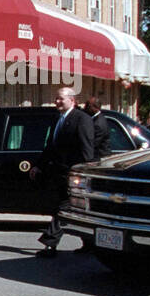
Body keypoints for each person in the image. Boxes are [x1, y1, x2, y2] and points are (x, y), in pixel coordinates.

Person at [30, 86, 94, 256]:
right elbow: (51, 146)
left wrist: (83, 172)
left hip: (72, 174)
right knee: (74, 209)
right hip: (58, 172)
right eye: (56, 98)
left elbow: (86, 149)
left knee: (63, 207)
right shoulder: (58, 119)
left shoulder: (82, 119)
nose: (57, 102)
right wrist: (39, 165)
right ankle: (89, 243)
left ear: (72, 100)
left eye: (61, 99)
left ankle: (50, 242)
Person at [84, 96, 110, 161]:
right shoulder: (93, 119)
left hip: (99, 158)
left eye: (88, 106)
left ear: (96, 108)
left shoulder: (98, 123)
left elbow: (93, 143)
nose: (85, 108)